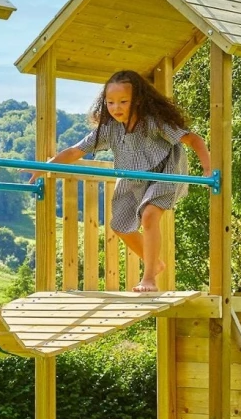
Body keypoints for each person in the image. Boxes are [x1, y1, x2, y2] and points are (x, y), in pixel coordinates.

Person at [49, 70, 212, 292]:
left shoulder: (153, 123)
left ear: (138, 101)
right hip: (135, 176)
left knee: (149, 215)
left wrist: (208, 168)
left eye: (123, 102)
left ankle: (149, 278)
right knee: (120, 225)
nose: (116, 108)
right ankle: (155, 263)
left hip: (165, 172)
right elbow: (76, 151)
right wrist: (45, 167)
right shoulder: (109, 129)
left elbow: (193, 139)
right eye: (110, 102)